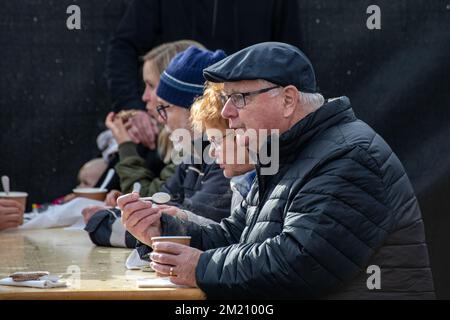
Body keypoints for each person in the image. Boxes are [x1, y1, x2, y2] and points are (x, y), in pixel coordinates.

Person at [117, 42, 435, 299]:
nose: (226, 113)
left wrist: (200, 267)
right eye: (227, 98)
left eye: (239, 98)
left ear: (287, 100)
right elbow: (236, 235)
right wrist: (163, 229)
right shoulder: (286, 152)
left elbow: (298, 264)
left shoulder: (350, 157)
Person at [84, 46, 232, 248]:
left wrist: (108, 222)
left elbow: (183, 234)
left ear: (197, 109)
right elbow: (157, 206)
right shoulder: (194, 156)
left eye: (164, 108)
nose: (161, 120)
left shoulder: (227, 158)